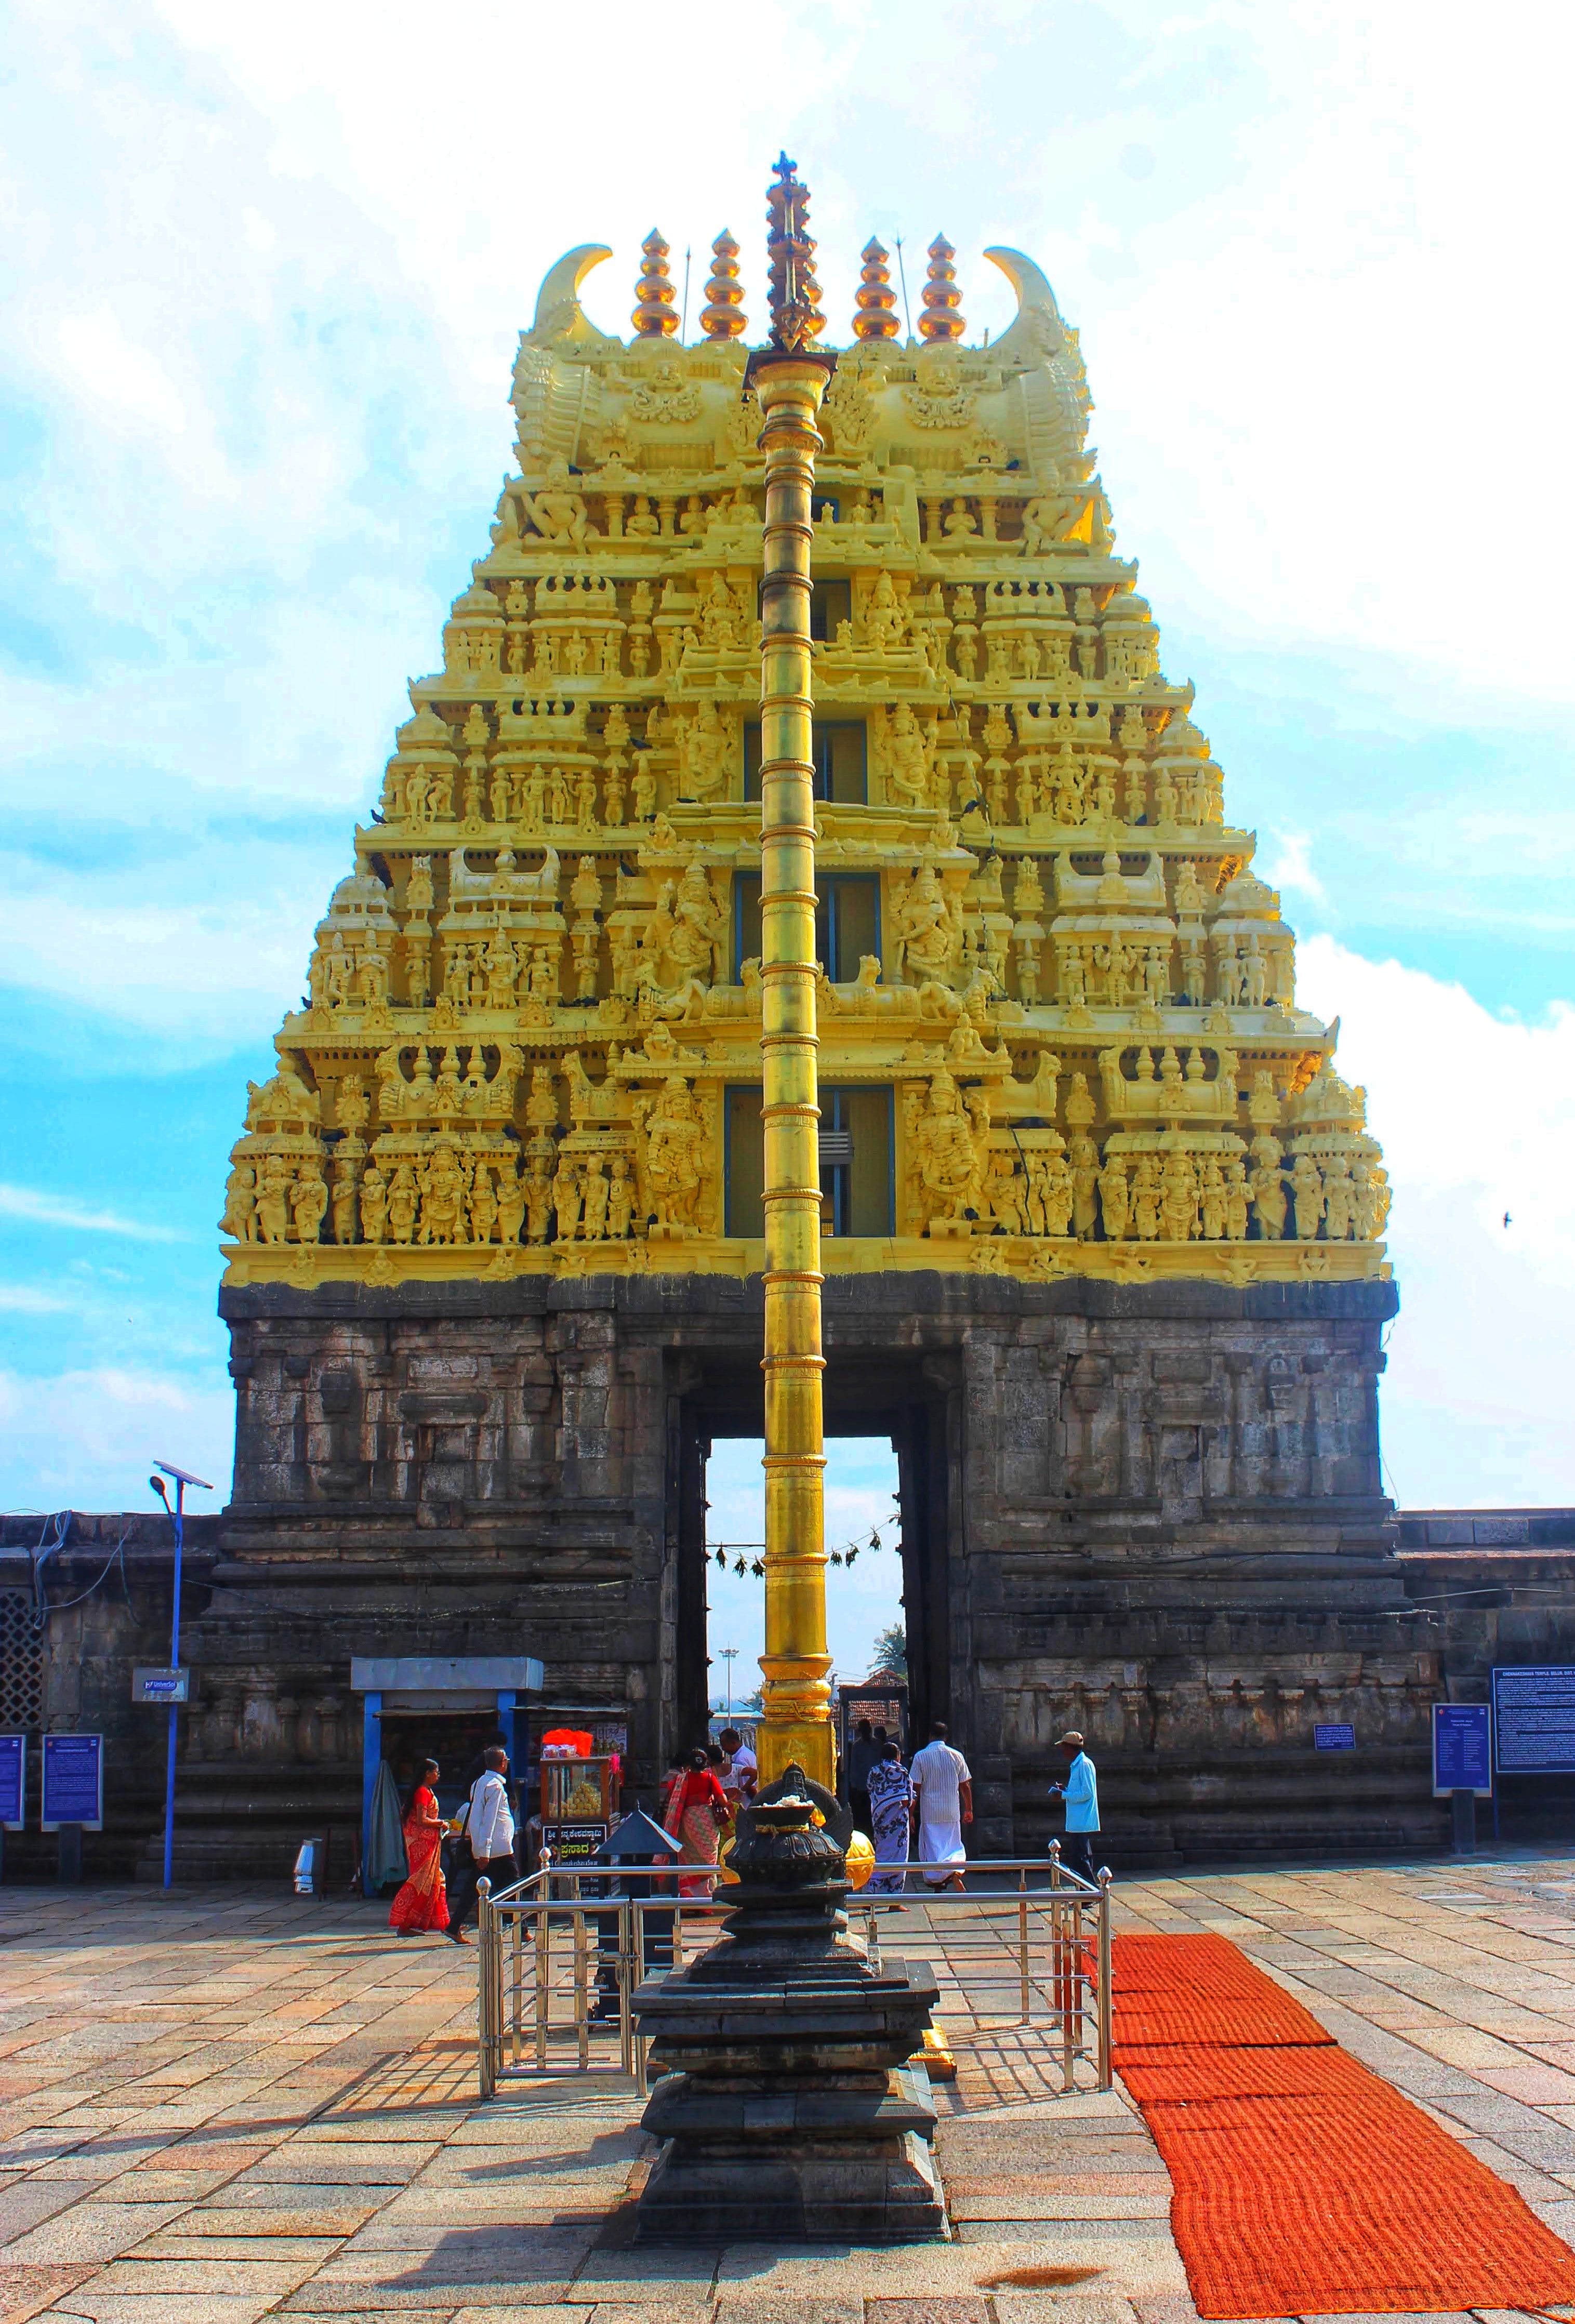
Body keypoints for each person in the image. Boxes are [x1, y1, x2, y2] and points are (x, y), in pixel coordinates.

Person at [446, 1746, 518, 1945]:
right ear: (502, 1763)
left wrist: (481, 1848)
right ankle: (521, 1928)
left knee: (473, 1888)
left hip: (488, 1847)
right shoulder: (495, 1787)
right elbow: (488, 1820)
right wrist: (485, 1850)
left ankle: (453, 1927)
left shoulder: (479, 1783)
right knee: (514, 1885)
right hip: (498, 1849)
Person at [388, 1758, 449, 1936]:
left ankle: (443, 1923)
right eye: (436, 1772)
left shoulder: (426, 1791)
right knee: (421, 1883)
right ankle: (404, 1924)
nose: (438, 1776)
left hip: (429, 1843)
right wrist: (441, 1823)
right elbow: (422, 1820)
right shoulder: (422, 1792)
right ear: (427, 1774)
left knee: (436, 1881)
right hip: (422, 1845)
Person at [909, 1720, 972, 1892]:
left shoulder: (921, 1757)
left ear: (930, 1736)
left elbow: (915, 1789)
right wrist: (969, 1809)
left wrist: (911, 1814)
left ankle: (938, 1881)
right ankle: (954, 1872)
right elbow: (965, 1785)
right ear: (946, 1737)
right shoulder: (957, 1756)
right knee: (953, 1845)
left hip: (930, 1811)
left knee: (932, 1849)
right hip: (951, 1809)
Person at [664, 1746, 730, 1900]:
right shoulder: (709, 1778)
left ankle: (690, 1896)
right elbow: (723, 1801)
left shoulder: (681, 1780)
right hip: (706, 1823)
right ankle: (707, 1896)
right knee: (709, 1859)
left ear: (689, 1765)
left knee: (689, 1858)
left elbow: (670, 1794)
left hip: (687, 1823)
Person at [1049, 1730, 1101, 1883]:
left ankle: (1090, 1890)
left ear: (1070, 1747)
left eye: (1064, 1748)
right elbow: (1081, 1791)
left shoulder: (1084, 1765)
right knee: (1082, 1857)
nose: (1063, 1752)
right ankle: (1086, 1891)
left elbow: (1087, 1793)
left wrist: (1063, 1795)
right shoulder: (1078, 1765)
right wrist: (1065, 1791)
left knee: (1080, 1859)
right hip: (1078, 1820)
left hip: (1082, 1820)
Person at [866, 1739, 913, 1893]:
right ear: (897, 1756)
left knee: (882, 1854)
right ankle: (895, 1898)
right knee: (899, 1857)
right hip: (898, 1823)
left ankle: (872, 1892)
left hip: (880, 1821)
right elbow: (906, 1801)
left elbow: (871, 1791)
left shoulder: (874, 1771)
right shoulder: (902, 1772)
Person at [845, 1717, 878, 1839]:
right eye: (863, 1729)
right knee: (863, 1815)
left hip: (877, 1787)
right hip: (862, 1786)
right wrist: (853, 1785)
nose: (865, 1732)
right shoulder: (857, 1746)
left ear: (870, 1729)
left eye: (866, 1729)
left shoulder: (878, 1745)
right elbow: (854, 1766)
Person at [718, 1727, 757, 1807]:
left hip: (747, 1804)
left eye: (724, 1745)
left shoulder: (740, 1759)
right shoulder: (748, 1753)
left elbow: (748, 1786)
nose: (723, 1749)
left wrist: (755, 1802)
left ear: (733, 1743)